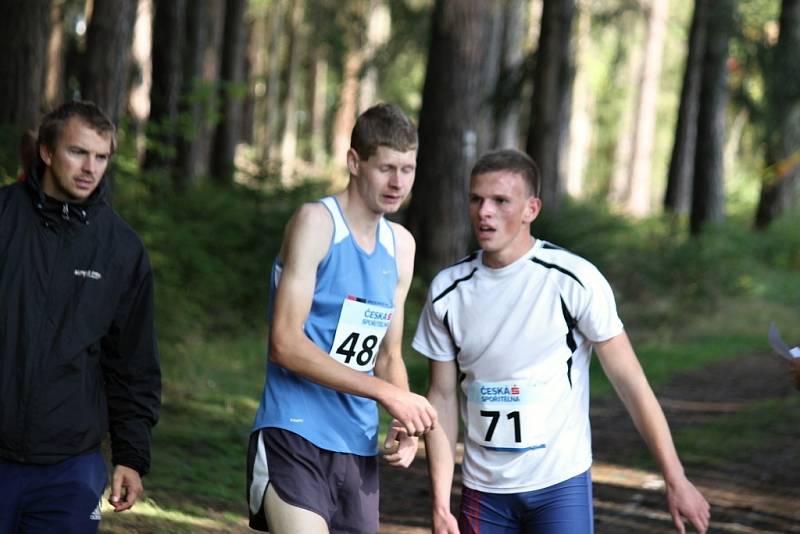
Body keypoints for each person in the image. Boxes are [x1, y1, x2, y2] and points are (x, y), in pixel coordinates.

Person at [413, 149, 711, 534]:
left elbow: (630, 382)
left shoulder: (574, 280)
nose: (484, 211)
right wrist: (440, 501)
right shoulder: (447, 291)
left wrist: (676, 477)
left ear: (530, 209)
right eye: (476, 199)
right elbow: (441, 397)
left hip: (559, 486)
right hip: (484, 491)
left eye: (500, 200)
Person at [247, 103, 437, 533]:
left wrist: (403, 420)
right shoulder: (316, 223)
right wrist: (386, 395)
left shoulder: (400, 246)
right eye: (386, 167)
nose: (397, 182)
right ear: (354, 162)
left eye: (407, 169)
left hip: (357, 447)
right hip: (294, 433)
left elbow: (388, 357)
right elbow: (285, 344)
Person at [0, 100, 161, 532]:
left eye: (102, 156)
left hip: (68, 470)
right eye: (78, 152)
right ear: (48, 153)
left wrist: (130, 455)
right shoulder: (3, 219)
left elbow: (133, 364)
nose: (90, 167)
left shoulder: (122, 250)